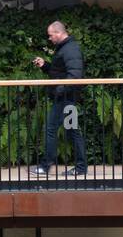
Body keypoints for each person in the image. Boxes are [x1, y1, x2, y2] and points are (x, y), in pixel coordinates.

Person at [29, 21, 86, 178]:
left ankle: (46, 166)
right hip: (67, 97)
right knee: (72, 131)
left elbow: (74, 75)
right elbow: (60, 72)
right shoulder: (66, 48)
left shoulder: (70, 49)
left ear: (59, 33)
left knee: (51, 128)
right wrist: (45, 65)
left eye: (50, 35)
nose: (49, 38)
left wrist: (58, 91)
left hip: (65, 98)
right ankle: (81, 167)